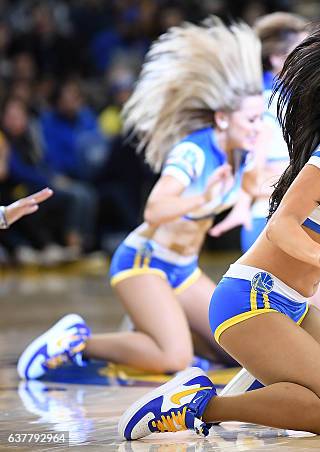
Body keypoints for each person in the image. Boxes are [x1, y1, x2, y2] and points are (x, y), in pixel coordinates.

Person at [118, 21, 320, 440]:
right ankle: (194, 405)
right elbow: (281, 225)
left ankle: (272, 380)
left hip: (293, 305)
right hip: (250, 300)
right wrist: (316, 256)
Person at [17, 18, 265, 380]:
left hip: (183, 271)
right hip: (144, 263)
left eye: (261, 119)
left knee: (241, 348)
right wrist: (202, 200)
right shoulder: (193, 154)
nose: (259, 128)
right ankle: (76, 341)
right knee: (173, 359)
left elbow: (251, 192)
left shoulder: (245, 153)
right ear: (223, 119)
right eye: (252, 119)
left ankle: (150, 330)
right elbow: (154, 211)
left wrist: (243, 206)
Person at [210, 12, 320, 330]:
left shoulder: (297, 100)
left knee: (310, 331)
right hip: (273, 221)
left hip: (289, 220)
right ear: (276, 59)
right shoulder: (261, 105)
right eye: (301, 51)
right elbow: (256, 175)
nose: (312, 60)